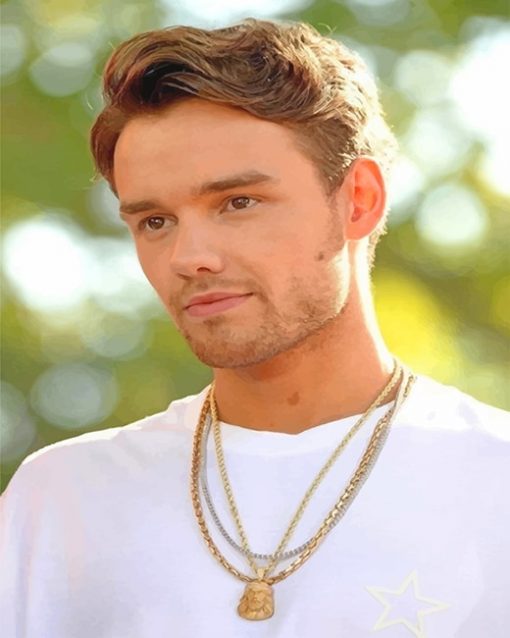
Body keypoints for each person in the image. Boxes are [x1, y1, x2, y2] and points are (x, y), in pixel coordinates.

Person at [1, 18, 508, 638]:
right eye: (155, 221)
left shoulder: (495, 482)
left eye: (237, 203)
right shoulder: (62, 501)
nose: (190, 257)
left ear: (359, 200)